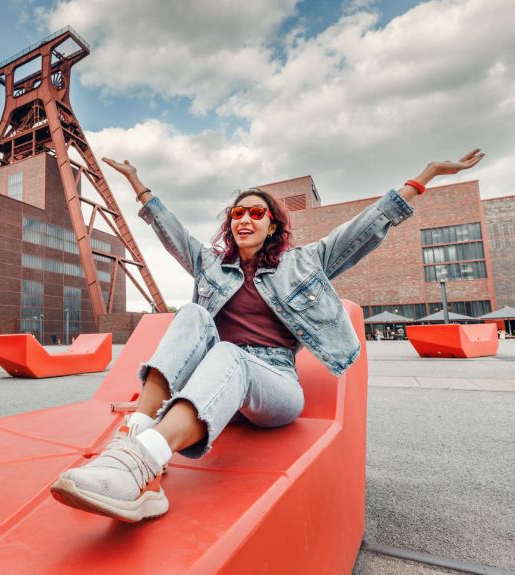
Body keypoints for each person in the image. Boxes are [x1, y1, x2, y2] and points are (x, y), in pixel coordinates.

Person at [50, 149, 485, 522]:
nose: (244, 219)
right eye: (237, 214)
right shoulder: (211, 265)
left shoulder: (305, 262)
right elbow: (171, 233)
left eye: (256, 213)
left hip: (274, 385)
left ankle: (139, 465)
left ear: (272, 224)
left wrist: (423, 177)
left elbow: (366, 229)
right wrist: (139, 185)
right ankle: (135, 443)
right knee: (191, 315)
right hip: (214, 388)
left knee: (231, 355)